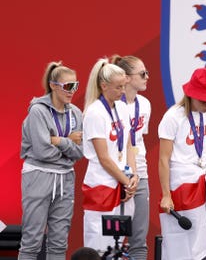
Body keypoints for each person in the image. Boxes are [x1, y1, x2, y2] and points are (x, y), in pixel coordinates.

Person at [18, 62, 83, 260]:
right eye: (68, 86)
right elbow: (42, 151)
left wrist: (58, 141)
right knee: (32, 240)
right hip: (38, 175)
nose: (72, 91)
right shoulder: (38, 111)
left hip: (65, 178)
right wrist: (68, 143)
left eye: (76, 86)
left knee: (59, 242)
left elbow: (79, 152)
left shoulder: (77, 114)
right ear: (54, 85)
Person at [158, 67, 206, 260]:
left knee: (204, 235)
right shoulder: (173, 117)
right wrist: (166, 195)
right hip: (181, 182)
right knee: (182, 237)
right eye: (203, 100)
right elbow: (163, 159)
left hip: (203, 180)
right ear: (191, 95)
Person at [82, 59, 139, 252]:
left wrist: (134, 175)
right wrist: (126, 181)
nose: (123, 91)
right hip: (103, 186)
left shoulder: (122, 108)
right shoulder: (95, 113)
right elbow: (103, 157)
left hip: (123, 185)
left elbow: (130, 144)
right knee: (99, 245)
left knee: (118, 245)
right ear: (103, 86)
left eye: (124, 86)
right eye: (118, 87)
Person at [111, 55, 152, 260]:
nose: (147, 77)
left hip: (140, 174)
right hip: (116, 176)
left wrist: (136, 174)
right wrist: (125, 176)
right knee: (112, 240)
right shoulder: (112, 106)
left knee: (139, 239)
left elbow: (137, 142)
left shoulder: (145, 104)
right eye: (142, 74)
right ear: (126, 78)